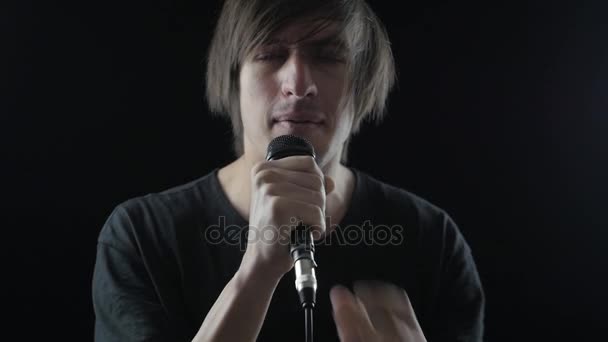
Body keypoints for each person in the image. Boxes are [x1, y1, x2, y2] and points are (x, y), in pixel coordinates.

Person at [92, 0, 485, 341]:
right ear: (234, 77)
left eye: (327, 55)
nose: (298, 83)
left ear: (362, 83)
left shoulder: (432, 240)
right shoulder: (141, 236)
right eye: (269, 54)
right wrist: (256, 274)